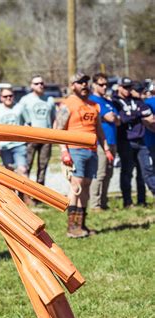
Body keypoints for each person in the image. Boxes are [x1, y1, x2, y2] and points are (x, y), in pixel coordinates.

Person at [55, 73, 112, 238]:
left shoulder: (94, 105)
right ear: (73, 85)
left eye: (86, 82)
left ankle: (81, 224)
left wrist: (106, 148)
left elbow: (99, 129)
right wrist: (64, 151)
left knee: (86, 185)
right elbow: (58, 130)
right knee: (76, 186)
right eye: (80, 83)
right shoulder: (67, 104)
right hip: (74, 150)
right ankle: (72, 227)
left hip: (91, 150)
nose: (84, 85)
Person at [112, 77, 154, 207]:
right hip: (125, 141)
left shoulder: (136, 100)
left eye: (130, 87)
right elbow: (120, 119)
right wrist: (136, 115)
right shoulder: (115, 101)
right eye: (125, 87)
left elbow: (147, 114)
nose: (128, 90)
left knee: (144, 171)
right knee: (127, 172)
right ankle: (127, 201)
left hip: (141, 139)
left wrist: (133, 115)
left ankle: (142, 200)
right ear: (119, 87)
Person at [88, 73, 120, 211]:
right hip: (101, 142)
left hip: (113, 140)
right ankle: (95, 204)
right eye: (101, 84)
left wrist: (113, 117)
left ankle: (104, 202)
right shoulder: (93, 101)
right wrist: (112, 117)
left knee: (109, 173)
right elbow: (111, 117)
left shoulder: (108, 101)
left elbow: (118, 120)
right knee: (100, 173)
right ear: (94, 85)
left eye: (106, 84)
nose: (104, 87)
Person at [19, 75, 56, 188]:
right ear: (31, 85)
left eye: (41, 83)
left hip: (46, 137)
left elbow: (54, 119)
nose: (40, 85)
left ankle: (39, 194)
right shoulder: (25, 100)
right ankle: (23, 191)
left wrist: (53, 133)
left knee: (43, 166)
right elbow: (19, 118)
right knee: (27, 165)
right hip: (30, 137)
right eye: (36, 83)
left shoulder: (50, 99)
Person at [0, 87, 28, 177]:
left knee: (23, 170)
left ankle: (24, 191)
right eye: (5, 96)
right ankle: (11, 191)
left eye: (10, 95)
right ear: (1, 97)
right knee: (9, 172)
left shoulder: (20, 108)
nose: (8, 98)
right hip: (5, 146)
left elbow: (27, 123)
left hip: (19, 144)